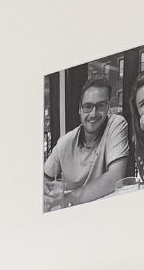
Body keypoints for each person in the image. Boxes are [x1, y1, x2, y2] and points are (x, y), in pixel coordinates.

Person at [43, 74, 129, 208]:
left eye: (100, 106)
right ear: (80, 109)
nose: (93, 114)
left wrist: (66, 200)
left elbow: (115, 178)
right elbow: (43, 180)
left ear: (108, 107)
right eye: (88, 106)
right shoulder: (64, 142)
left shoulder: (116, 124)